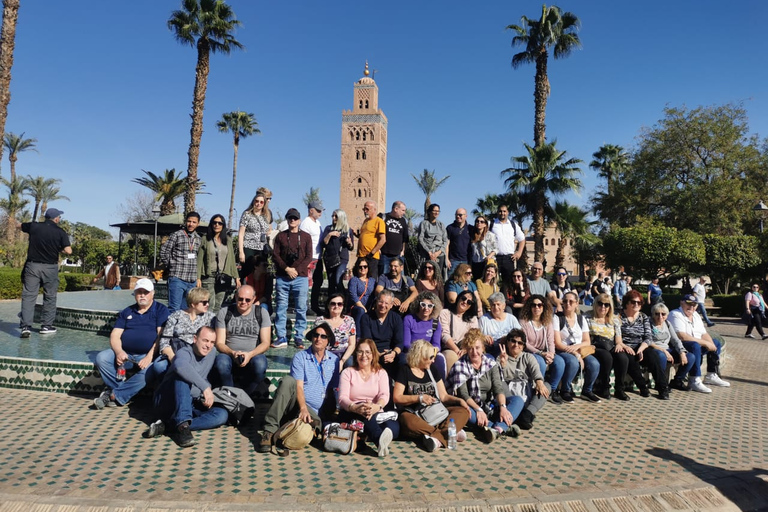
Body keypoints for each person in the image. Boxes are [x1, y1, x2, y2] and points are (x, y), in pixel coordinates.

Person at [258, 323, 340, 453]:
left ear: (328, 341)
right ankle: (269, 430)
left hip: (317, 415)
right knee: (288, 381)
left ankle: (290, 429)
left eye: (323, 336)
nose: (318, 338)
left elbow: (334, 389)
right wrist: (303, 408)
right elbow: (299, 387)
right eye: (316, 335)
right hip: (298, 405)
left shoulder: (334, 360)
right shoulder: (300, 357)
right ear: (312, 338)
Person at [144, 326, 228, 448]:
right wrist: (205, 388)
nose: (208, 345)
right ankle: (182, 427)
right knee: (182, 377)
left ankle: (169, 426)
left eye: (212, 342)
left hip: (190, 402)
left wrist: (204, 393)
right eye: (205, 340)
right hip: (167, 402)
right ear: (195, 339)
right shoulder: (184, 352)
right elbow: (180, 366)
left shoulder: (211, 353)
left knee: (221, 415)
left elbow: (203, 376)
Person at [93, 278, 170, 409]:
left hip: (147, 355)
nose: (142, 295)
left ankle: (113, 394)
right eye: (139, 292)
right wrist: (119, 352)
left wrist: (149, 357)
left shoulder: (161, 310)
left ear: (153, 293)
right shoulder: (127, 311)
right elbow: (115, 335)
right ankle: (121, 392)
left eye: (146, 292)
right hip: (126, 355)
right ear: (134, 294)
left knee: (151, 370)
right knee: (102, 358)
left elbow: (161, 337)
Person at [393, 340, 470, 452]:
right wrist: (419, 398)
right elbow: (397, 397)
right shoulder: (405, 370)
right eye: (430, 357)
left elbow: (443, 396)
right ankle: (448, 434)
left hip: (436, 412)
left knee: (463, 411)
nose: (433, 361)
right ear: (420, 356)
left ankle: (437, 438)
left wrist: (459, 400)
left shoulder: (432, 370)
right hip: (415, 414)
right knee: (406, 420)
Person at [447, 329, 520, 443]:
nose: (474, 352)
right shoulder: (460, 366)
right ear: (466, 349)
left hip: (489, 405)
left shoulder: (490, 364)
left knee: (517, 400)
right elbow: (463, 395)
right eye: (470, 348)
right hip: (470, 406)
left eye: (477, 348)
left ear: (483, 348)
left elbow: (498, 388)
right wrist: (478, 410)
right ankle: (501, 427)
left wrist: (503, 407)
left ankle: (496, 429)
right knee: (465, 413)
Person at [337, 339, 400, 457]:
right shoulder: (348, 372)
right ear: (356, 354)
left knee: (394, 428)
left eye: (367, 352)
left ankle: (363, 435)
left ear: (373, 354)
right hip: (352, 411)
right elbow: (342, 398)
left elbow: (384, 395)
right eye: (360, 352)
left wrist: (377, 406)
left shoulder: (381, 373)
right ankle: (379, 440)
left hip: (375, 410)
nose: (363, 355)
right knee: (364, 415)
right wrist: (355, 407)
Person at [19, 207, 72, 337]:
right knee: (50, 296)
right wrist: (58, 249)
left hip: (33, 266)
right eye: (59, 216)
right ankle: (46, 326)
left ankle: (26, 327)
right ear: (56, 218)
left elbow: (19, 225)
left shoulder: (34, 227)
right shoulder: (60, 232)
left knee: (29, 296)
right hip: (50, 268)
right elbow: (69, 251)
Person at [214, 285, 271, 395]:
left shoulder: (261, 313)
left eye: (247, 300)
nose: (243, 302)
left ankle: (245, 395)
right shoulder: (225, 312)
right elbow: (219, 343)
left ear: (254, 299)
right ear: (235, 297)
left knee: (260, 365)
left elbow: (266, 343)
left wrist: (250, 354)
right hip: (229, 354)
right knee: (221, 363)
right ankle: (230, 394)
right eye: (240, 299)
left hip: (253, 354)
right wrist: (232, 353)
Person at [668, 294, 730, 393]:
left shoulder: (696, 315)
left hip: (694, 344)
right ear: (681, 303)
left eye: (694, 304)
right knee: (695, 345)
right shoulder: (675, 314)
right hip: (680, 346)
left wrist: (710, 344)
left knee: (716, 343)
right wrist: (705, 343)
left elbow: (703, 333)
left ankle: (711, 374)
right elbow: (682, 336)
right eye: (689, 304)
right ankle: (694, 379)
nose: (691, 307)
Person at [272, 208, 313, 349]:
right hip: (283, 276)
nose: (292, 220)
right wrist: (287, 269)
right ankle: (281, 336)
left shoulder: (306, 237)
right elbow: (275, 255)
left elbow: (309, 257)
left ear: (299, 220)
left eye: (295, 218)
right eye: (290, 218)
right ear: (287, 219)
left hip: (300, 277)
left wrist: (296, 270)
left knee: (301, 308)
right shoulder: (281, 236)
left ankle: (299, 337)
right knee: (281, 307)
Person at [553, 291, 603, 403]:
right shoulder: (557, 318)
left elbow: (587, 341)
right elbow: (557, 342)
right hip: (564, 349)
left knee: (594, 364)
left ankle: (587, 390)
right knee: (573, 362)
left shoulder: (581, 319)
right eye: (565, 301)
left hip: (580, 349)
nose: (567, 304)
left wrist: (577, 347)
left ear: (577, 303)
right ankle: (565, 390)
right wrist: (574, 353)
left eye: (571, 301)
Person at [518, 295, 567, 404]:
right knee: (539, 362)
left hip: (545, 352)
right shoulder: (524, 322)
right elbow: (524, 343)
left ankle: (552, 390)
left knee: (560, 362)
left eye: (540, 305)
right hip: (530, 352)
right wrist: (541, 353)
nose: (537, 308)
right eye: (534, 305)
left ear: (544, 307)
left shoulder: (547, 322)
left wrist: (552, 354)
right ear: (529, 307)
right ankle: (539, 388)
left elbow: (551, 340)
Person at [498, 329, 550, 431]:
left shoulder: (528, 357)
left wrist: (539, 382)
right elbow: (499, 379)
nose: (516, 345)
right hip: (510, 397)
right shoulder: (500, 357)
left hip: (526, 393)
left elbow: (536, 371)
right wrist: (503, 365)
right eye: (513, 341)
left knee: (546, 386)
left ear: (523, 346)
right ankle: (517, 414)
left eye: (520, 343)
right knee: (500, 383)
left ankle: (527, 414)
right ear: (507, 342)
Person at [618, 290, 664, 399]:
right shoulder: (619, 316)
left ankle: (662, 388)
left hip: (641, 345)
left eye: (639, 303)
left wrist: (641, 349)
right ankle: (643, 387)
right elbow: (617, 336)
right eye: (633, 302)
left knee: (653, 356)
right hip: (625, 346)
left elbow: (648, 337)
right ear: (627, 303)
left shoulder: (643, 317)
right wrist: (627, 347)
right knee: (631, 359)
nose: (636, 305)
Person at [158, 287, 217, 365]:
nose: (207, 304)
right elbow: (164, 341)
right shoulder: (176, 316)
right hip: (175, 353)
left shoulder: (210, 317)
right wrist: (175, 360)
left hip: (199, 354)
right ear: (193, 304)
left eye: (208, 301)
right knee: (159, 366)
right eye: (204, 302)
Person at [160, 211, 202, 313]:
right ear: (185, 222)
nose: (191, 224)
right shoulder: (177, 235)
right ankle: (171, 329)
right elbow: (164, 251)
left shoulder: (199, 239)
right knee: (174, 309)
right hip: (177, 278)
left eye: (194, 222)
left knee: (187, 310)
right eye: (189, 221)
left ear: (198, 224)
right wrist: (171, 266)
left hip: (191, 280)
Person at [197, 214, 240, 311]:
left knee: (218, 304)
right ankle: (207, 325)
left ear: (223, 225)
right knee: (209, 304)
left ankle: (214, 325)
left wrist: (236, 277)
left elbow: (232, 260)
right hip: (208, 276)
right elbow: (199, 259)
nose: (217, 225)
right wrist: (198, 277)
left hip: (223, 277)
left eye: (220, 223)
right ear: (211, 224)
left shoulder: (228, 240)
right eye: (214, 222)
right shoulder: (205, 239)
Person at [650, 302, 694, 395]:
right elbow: (648, 341)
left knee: (690, 357)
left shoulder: (667, 323)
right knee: (661, 356)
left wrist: (682, 352)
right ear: (653, 314)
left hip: (668, 349)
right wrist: (664, 351)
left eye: (663, 314)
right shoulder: (649, 323)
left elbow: (675, 340)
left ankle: (677, 381)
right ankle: (661, 383)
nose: (660, 316)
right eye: (657, 314)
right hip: (655, 349)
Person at [358, 290, 404, 377]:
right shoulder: (366, 317)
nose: (383, 305)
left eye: (386, 303)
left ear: (391, 305)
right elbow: (368, 341)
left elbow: (400, 342)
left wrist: (394, 353)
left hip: (391, 352)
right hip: (372, 352)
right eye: (380, 302)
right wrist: (378, 354)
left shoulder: (396, 318)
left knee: (403, 360)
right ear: (376, 302)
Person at [402, 292, 445, 374]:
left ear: (433, 308)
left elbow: (436, 345)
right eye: (423, 304)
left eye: (430, 306)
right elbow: (406, 344)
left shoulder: (435, 323)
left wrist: (429, 354)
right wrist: (420, 353)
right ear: (418, 305)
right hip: (412, 352)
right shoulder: (409, 319)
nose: (426, 308)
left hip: (429, 354)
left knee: (440, 360)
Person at [439, 290, 479, 371]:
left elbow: (474, 337)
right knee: (452, 357)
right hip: (449, 348)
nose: (465, 302)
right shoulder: (445, 313)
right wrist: (457, 351)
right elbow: (444, 335)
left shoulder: (473, 319)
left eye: (469, 302)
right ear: (458, 298)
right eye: (463, 298)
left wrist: (465, 350)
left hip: (466, 348)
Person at [314, 293, 357, 369]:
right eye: (333, 303)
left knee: (350, 365)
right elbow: (316, 342)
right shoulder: (320, 321)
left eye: (339, 304)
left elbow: (352, 344)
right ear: (328, 305)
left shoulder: (349, 320)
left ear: (343, 306)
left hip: (344, 354)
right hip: (325, 353)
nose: (336, 306)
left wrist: (342, 361)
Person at [320, 209, 355, 297]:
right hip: (330, 259)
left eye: (336, 216)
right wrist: (330, 235)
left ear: (341, 218)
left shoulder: (347, 230)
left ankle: (343, 301)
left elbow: (351, 247)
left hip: (342, 259)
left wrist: (349, 242)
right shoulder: (328, 228)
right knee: (331, 284)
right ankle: (331, 305)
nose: (333, 218)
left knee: (337, 279)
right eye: (333, 216)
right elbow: (323, 244)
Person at [490, 205, 525, 287]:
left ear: (508, 212)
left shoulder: (513, 225)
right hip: (495, 258)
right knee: (492, 281)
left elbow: (522, 239)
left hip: (509, 258)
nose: (502, 213)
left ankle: (508, 299)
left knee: (509, 282)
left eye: (504, 211)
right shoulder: (491, 224)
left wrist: (519, 253)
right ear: (497, 212)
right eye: (500, 211)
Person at [237, 193, 271, 277]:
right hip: (249, 246)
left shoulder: (266, 216)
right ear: (253, 202)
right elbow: (241, 233)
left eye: (261, 202)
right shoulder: (247, 214)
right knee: (248, 272)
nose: (258, 203)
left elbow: (269, 229)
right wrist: (241, 252)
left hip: (262, 248)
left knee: (261, 273)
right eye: (257, 201)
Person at [479, 292, 522, 357]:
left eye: (498, 304)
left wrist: (507, 338)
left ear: (504, 306)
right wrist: (484, 337)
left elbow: (520, 335)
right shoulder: (484, 319)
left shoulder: (511, 319)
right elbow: (477, 337)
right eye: (493, 305)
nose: (496, 307)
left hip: (510, 349)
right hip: (491, 350)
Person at [300, 201, 324, 314]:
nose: (320, 213)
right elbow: (302, 241)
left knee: (318, 281)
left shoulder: (317, 223)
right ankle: (306, 307)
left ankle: (314, 306)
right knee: (308, 283)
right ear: (311, 210)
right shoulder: (306, 223)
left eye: (321, 210)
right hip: (310, 257)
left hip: (318, 257)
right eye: (318, 210)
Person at [357, 200, 386, 280]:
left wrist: (372, 252)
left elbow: (383, 239)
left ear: (374, 209)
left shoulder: (379, 221)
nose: (365, 211)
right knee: (360, 278)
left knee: (371, 279)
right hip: (361, 255)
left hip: (371, 257)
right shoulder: (365, 221)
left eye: (367, 209)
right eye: (364, 209)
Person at [417, 204, 448, 279]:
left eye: (438, 211)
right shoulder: (424, 224)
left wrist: (438, 252)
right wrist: (429, 252)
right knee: (426, 275)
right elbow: (421, 239)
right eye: (434, 211)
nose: (436, 213)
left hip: (439, 254)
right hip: (427, 253)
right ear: (430, 212)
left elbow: (445, 240)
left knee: (438, 276)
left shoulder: (441, 225)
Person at [379, 201, 409, 278]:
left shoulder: (403, 221)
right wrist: (378, 249)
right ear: (396, 209)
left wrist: (403, 251)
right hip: (384, 254)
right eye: (403, 210)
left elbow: (405, 238)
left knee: (399, 278)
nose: (404, 213)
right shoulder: (382, 217)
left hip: (398, 255)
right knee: (383, 277)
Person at [347, 258, 376, 328]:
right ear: (357, 268)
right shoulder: (354, 280)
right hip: (357, 307)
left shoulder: (372, 280)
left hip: (369, 306)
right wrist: (363, 308)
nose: (363, 268)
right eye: (360, 267)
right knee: (361, 311)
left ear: (368, 268)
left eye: (365, 266)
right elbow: (353, 296)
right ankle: (358, 336)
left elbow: (375, 295)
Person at [445, 208, 472, 279]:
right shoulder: (450, 228)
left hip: (466, 260)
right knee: (451, 281)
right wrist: (447, 259)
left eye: (460, 215)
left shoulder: (470, 228)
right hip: (453, 260)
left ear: (466, 216)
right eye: (456, 215)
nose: (458, 217)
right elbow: (447, 244)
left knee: (465, 281)